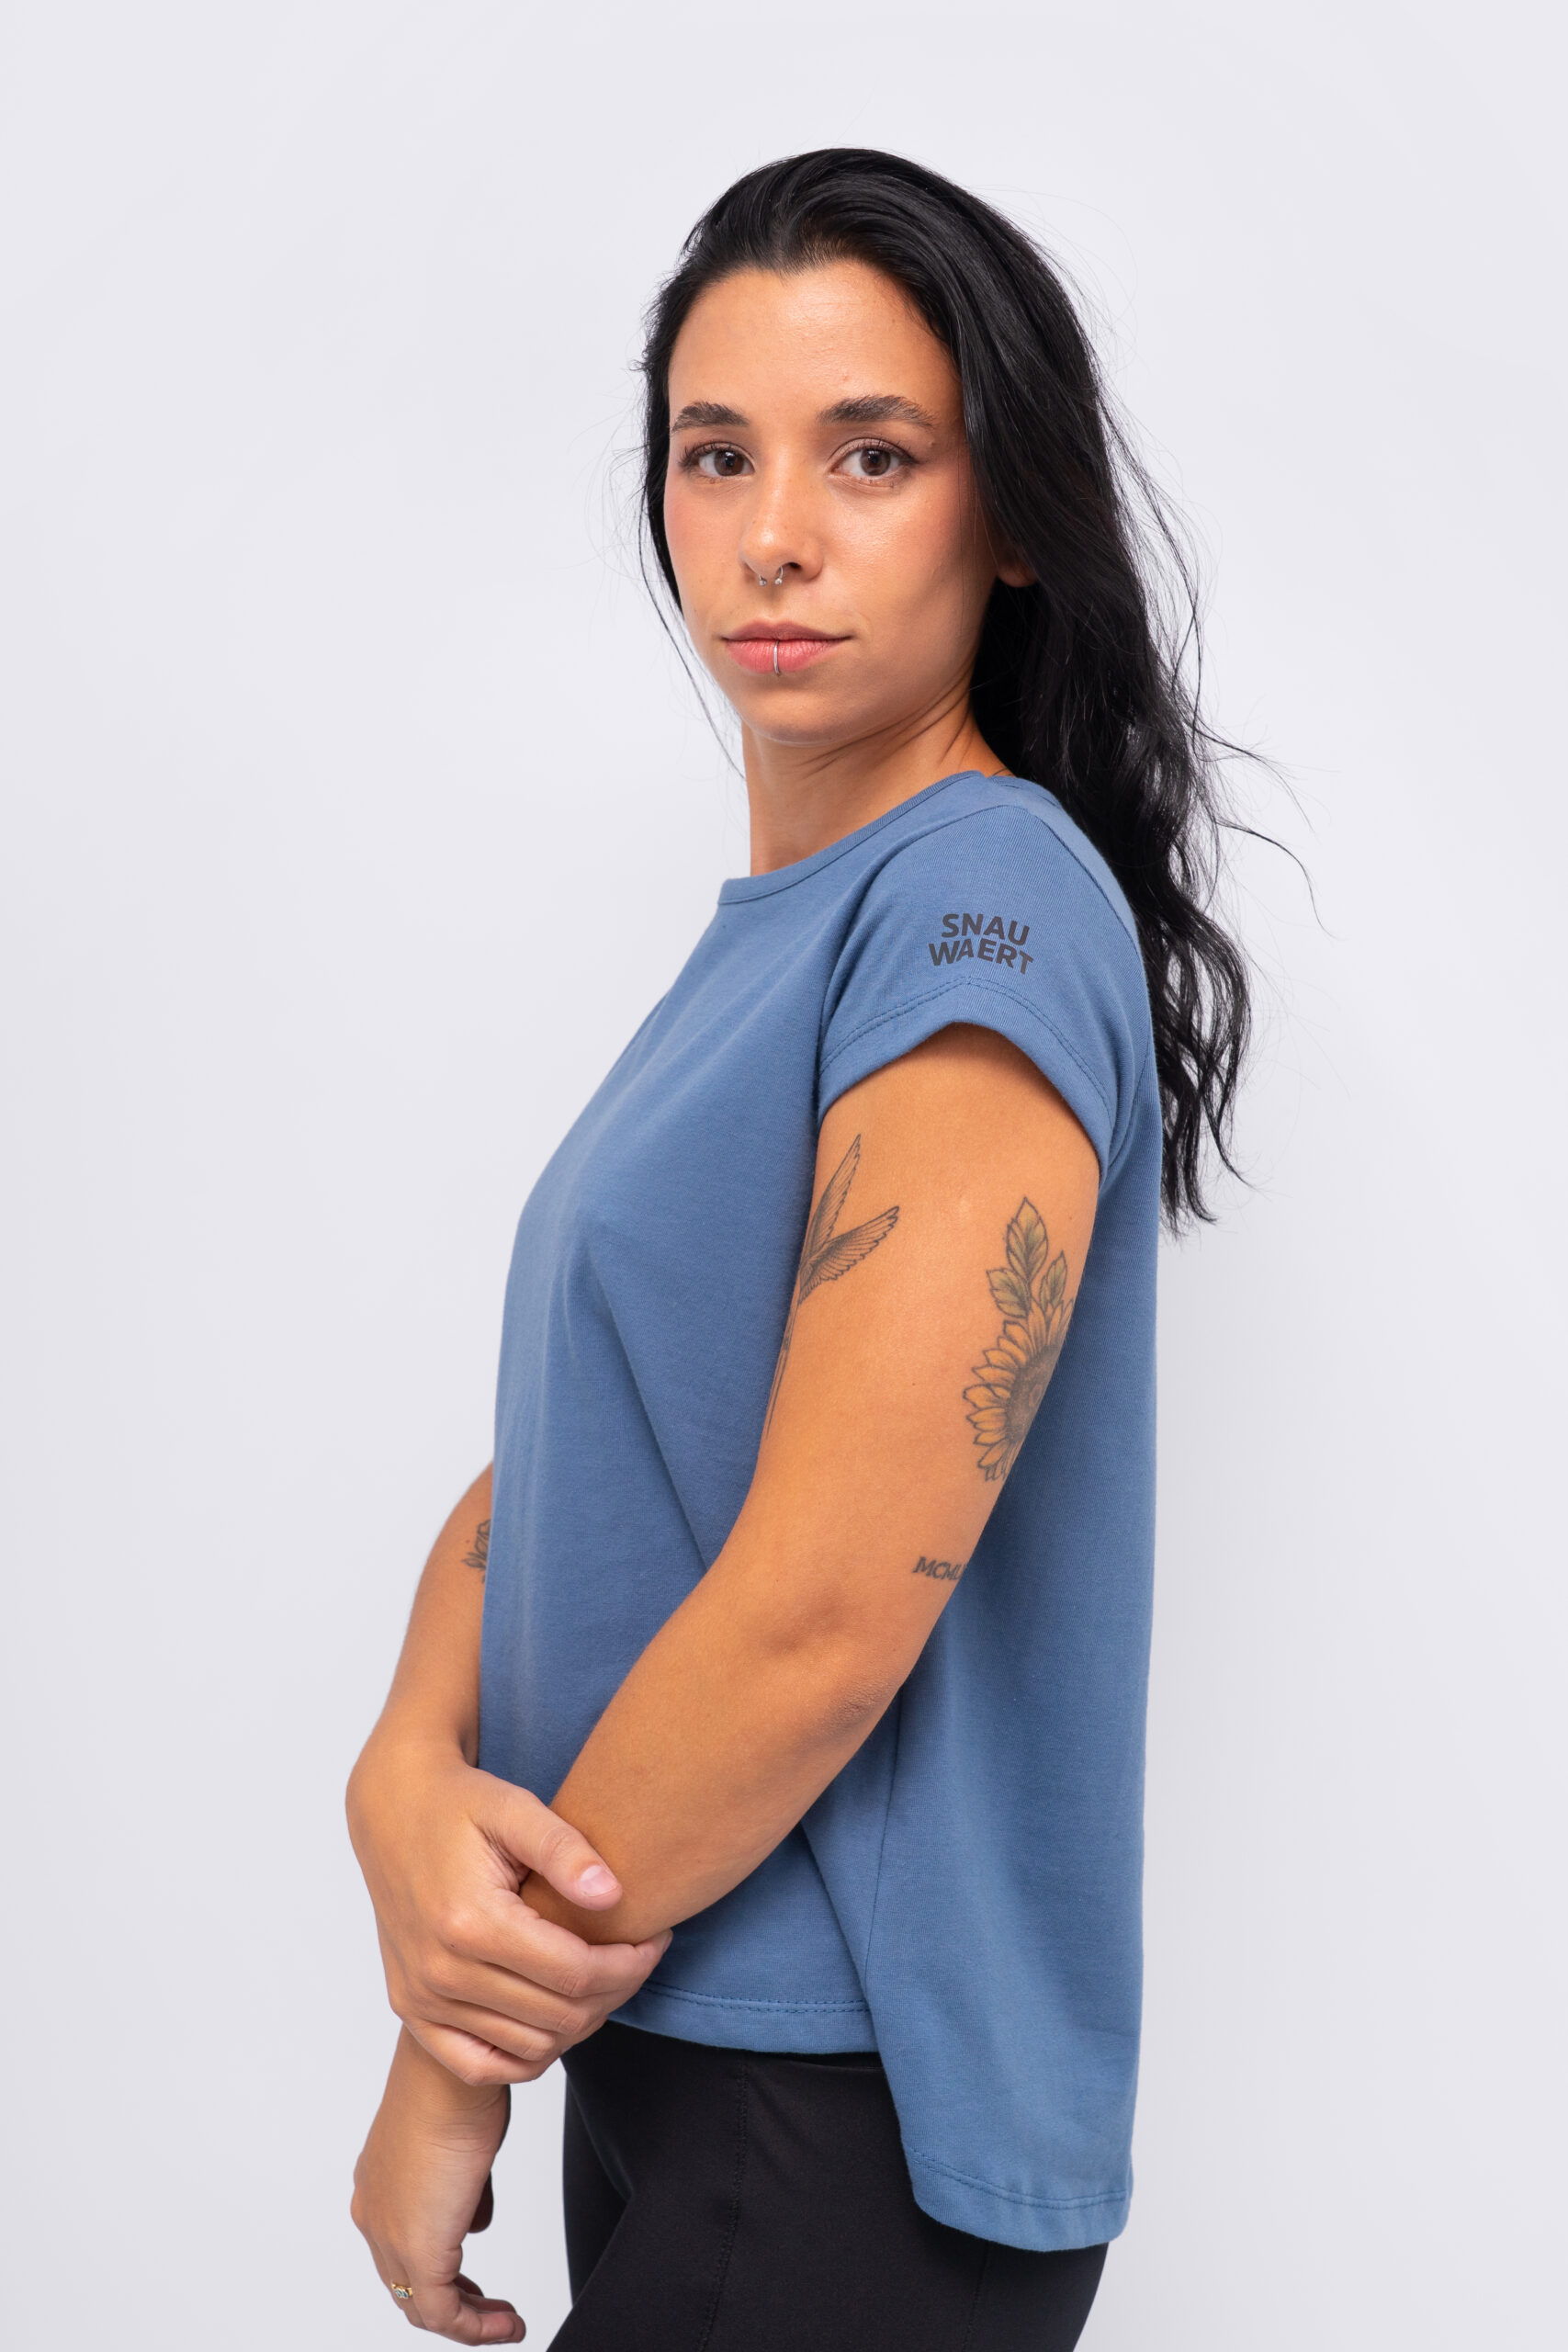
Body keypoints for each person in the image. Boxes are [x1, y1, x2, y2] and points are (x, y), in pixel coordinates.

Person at [346, 148, 1250, 2349]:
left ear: (1005, 513)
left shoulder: (976, 905)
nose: (772, 532)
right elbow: (614, 1447)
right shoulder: (789, 936)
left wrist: (457, 2044)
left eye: (871, 455)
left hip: (840, 2101)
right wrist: (402, 1758)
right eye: (713, 452)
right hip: (698, 2037)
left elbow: (825, 1602)